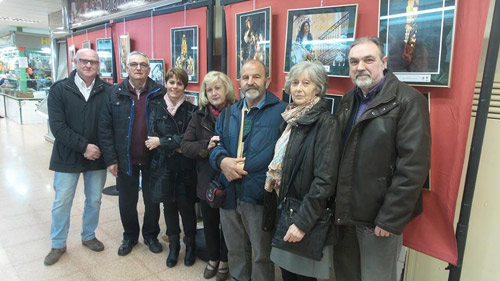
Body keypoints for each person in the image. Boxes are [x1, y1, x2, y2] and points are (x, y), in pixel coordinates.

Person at [333, 37, 431, 281]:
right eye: (354, 62)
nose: (360, 67)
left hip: (378, 220)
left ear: (383, 62)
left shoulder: (408, 100)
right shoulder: (348, 100)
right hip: (345, 215)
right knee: (346, 276)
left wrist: (390, 219)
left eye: (369, 60)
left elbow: (413, 166)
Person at [209, 60, 287, 281]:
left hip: (259, 196)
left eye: (256, 77)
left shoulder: (281, 112)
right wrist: (222, 162)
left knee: (262, 254)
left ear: (267, 81)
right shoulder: (228, 113)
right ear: (239, 82)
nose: (250, 82)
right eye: (245, 77)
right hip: (229, 192)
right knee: (235, 249)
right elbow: (215, 147)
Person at [264, 61, 340, 281]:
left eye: (306, 83)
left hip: (304, 217)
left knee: (304, 277)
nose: (298, 88)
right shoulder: (291, 120)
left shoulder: (326, 123)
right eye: (295, 82)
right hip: (285, 211)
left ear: (318, 88)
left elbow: (324, 180)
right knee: (287, 275)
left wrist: (301, 223)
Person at [44, 48, 111, 266]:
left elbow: (110, 125)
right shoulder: (59, 89)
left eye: (93, 62)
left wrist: (107, 155)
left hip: (97, 156)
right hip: (67, 155)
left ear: (98, 65)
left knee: (94, 199)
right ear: (75, 62)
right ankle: (58, 243)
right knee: (62, 200)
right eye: (83, 61)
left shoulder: (107, 90)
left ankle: (88, 236)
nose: (88, 65)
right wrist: (84, 147)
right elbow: (57, 127)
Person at [99, 51, 165, 257]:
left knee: (152, 199)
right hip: (124, 159)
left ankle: (151, 235)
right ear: (126, 67)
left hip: (153, 159)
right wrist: (110, 159)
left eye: (143, 65)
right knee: (126, 200)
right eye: (134, 64)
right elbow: (104, 128)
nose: (138, 68)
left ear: (148, 68)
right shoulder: (114, 93)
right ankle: (129, 236)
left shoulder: (160, 92)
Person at [181, 71, 236, 280]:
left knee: (229, 225)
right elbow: (186, 146)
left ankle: (225, 260)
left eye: (217, 88)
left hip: (231, 179)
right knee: (211, 223)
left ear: (226, 89)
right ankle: (213, 258)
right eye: (209, 89)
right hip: (207, 180)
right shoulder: (199, 115)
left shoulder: (239, 111)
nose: (213, 93)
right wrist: (206, 146)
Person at [146, 67, 198, 268]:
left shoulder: (193, 110)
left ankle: (191, 246)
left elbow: (189, 139)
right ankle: (174, 247)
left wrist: (163, 141)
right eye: (171, 82)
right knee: (169, 208)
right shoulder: (156, 107)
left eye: (179, 83)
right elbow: (151, 138)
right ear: (165, 83)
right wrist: (174, 144)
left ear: (184, 85)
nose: (174, 86)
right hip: (163, 167)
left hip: (185, 168)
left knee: (187, 210)